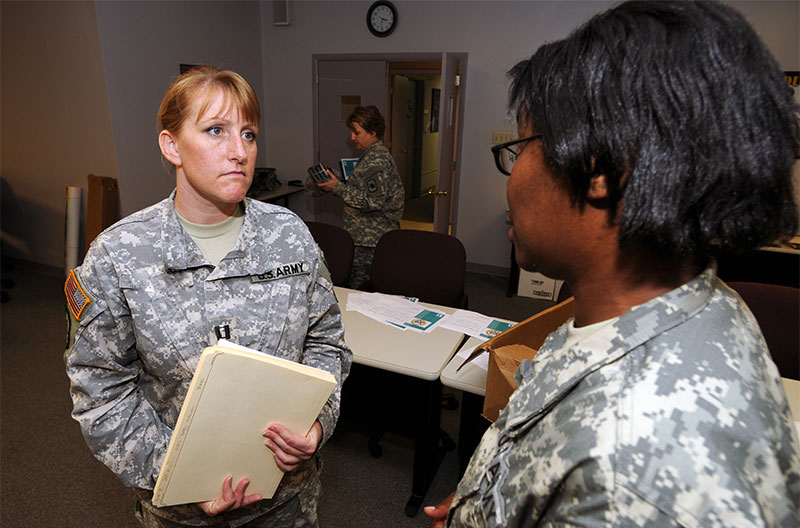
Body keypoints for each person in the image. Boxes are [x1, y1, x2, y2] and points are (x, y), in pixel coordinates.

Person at [425, 1, 799, 526]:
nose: (511, 176)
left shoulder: (633, 474)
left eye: (521, 146)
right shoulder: (679, 305)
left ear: (599, 170)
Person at [64, 66, 352, 527]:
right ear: (171, 145)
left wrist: (316, 425)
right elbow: (100, 390)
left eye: (249, 134)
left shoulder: (290, 236)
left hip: (285, 501)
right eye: (215, 131)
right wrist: (177, 475)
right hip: (180, 512)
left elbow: (327, 344)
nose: (239, 152)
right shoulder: (119, 256)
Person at [306, 105, 404, 289]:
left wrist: (339, 188)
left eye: (357, 133)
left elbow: (373, 202)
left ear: (373, 132)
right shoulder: (370, 156)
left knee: (359, 291)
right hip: (366, 238)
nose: (352, 138)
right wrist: (340, 183)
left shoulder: (376, 161)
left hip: (369, 242)